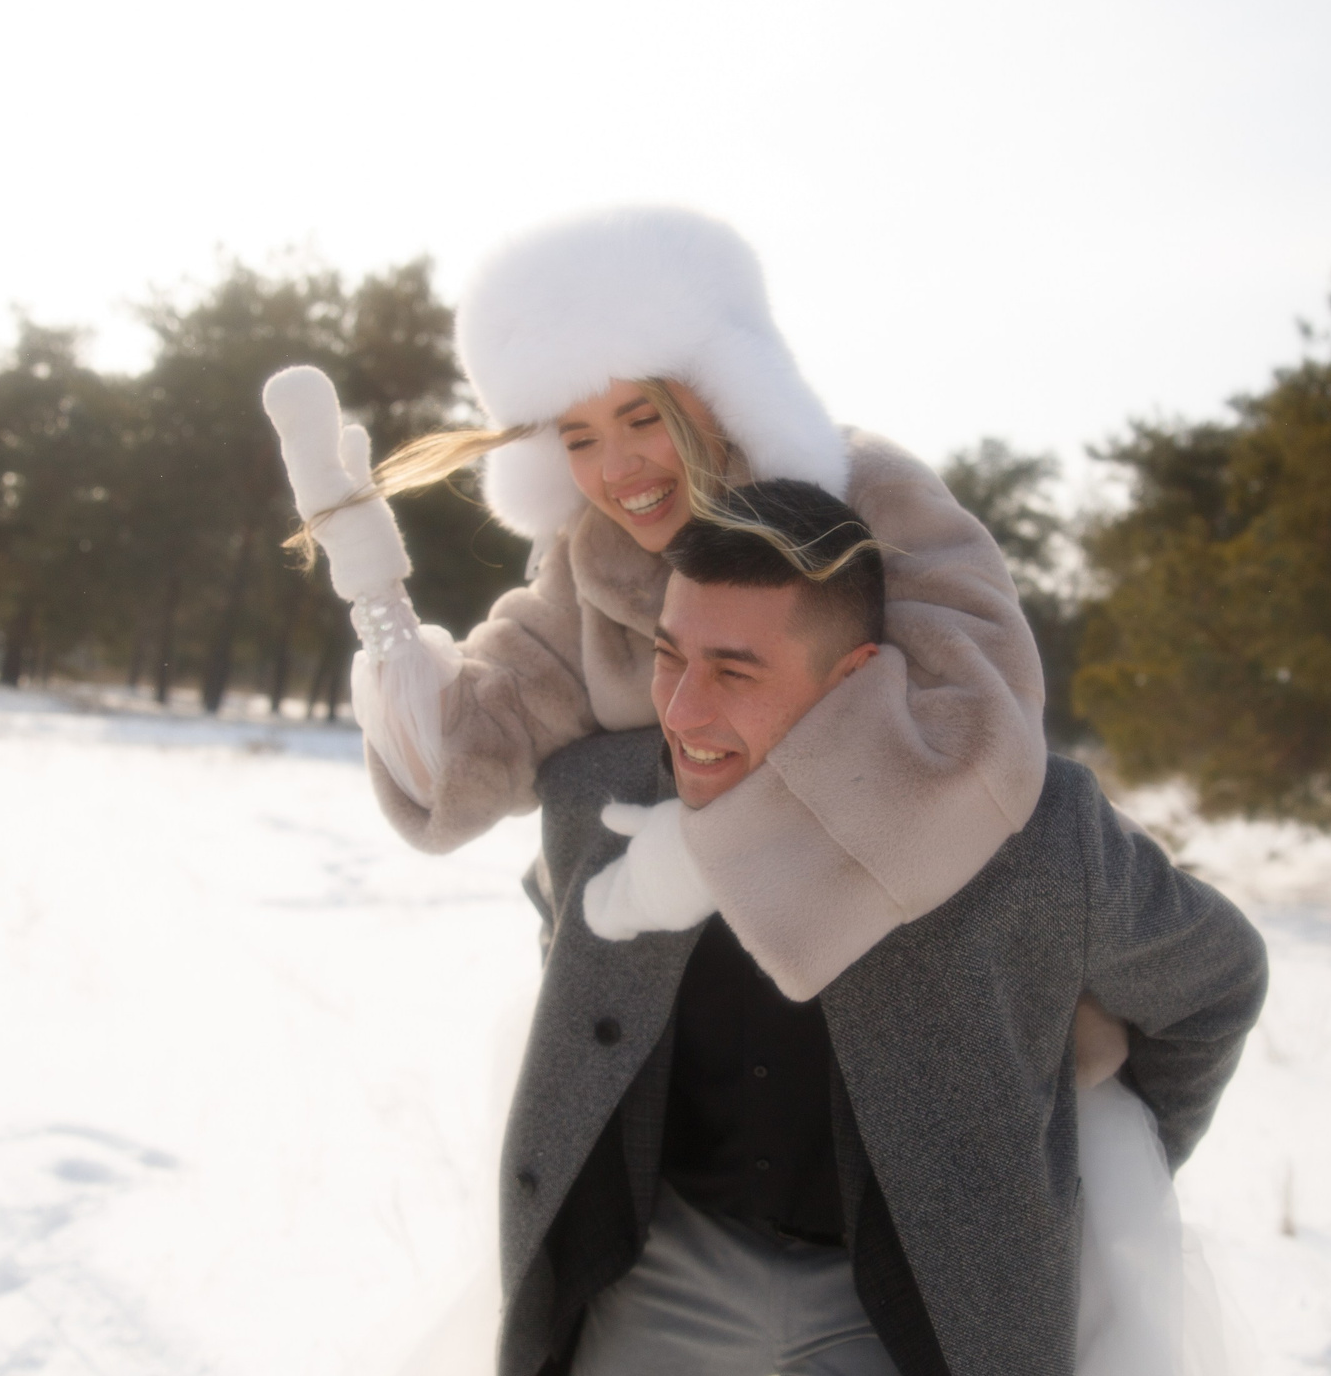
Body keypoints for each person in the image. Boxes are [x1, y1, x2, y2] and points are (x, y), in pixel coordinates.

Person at [461, 481, 1268, 1376]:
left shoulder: (1030, 835)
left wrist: (1088, 1161)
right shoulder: (599, 797)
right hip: (679, 1260)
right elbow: (565, 939)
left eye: (736, 670)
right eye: (668, 654)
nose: (683, 711)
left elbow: (1215, 981)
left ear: (853, 681)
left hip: (891, 1298)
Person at [263, 205, 1071, 1008]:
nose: (616, 468)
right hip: (665, 1030)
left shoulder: (867, 496)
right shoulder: (595, 561)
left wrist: (715, 855)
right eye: (577, 438)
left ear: (726, 387)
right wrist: (374, 589)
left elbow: (976, 730)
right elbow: (472, 758)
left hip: (911, 1016)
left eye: (642, 417)